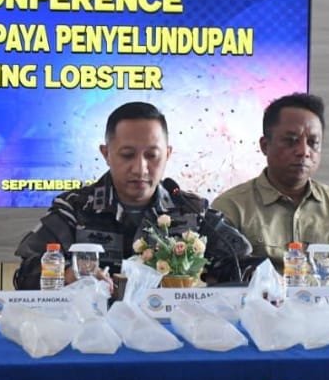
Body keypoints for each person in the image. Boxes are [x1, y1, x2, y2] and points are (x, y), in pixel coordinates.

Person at [14, 101, 249, 289]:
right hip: (93, 334)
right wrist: (68, 275)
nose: (140, 168)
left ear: (167, 154)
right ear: (106, 154)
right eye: (127, 155)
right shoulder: (75, 208)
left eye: (152, 155)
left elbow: (241, 262)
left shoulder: (191, 210)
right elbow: (25, 274)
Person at [212, 93, 329, 274]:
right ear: (265, 145)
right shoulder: (230, 208)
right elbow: (218, 286)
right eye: (291, 141)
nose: (303, 151)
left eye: (313, 142)